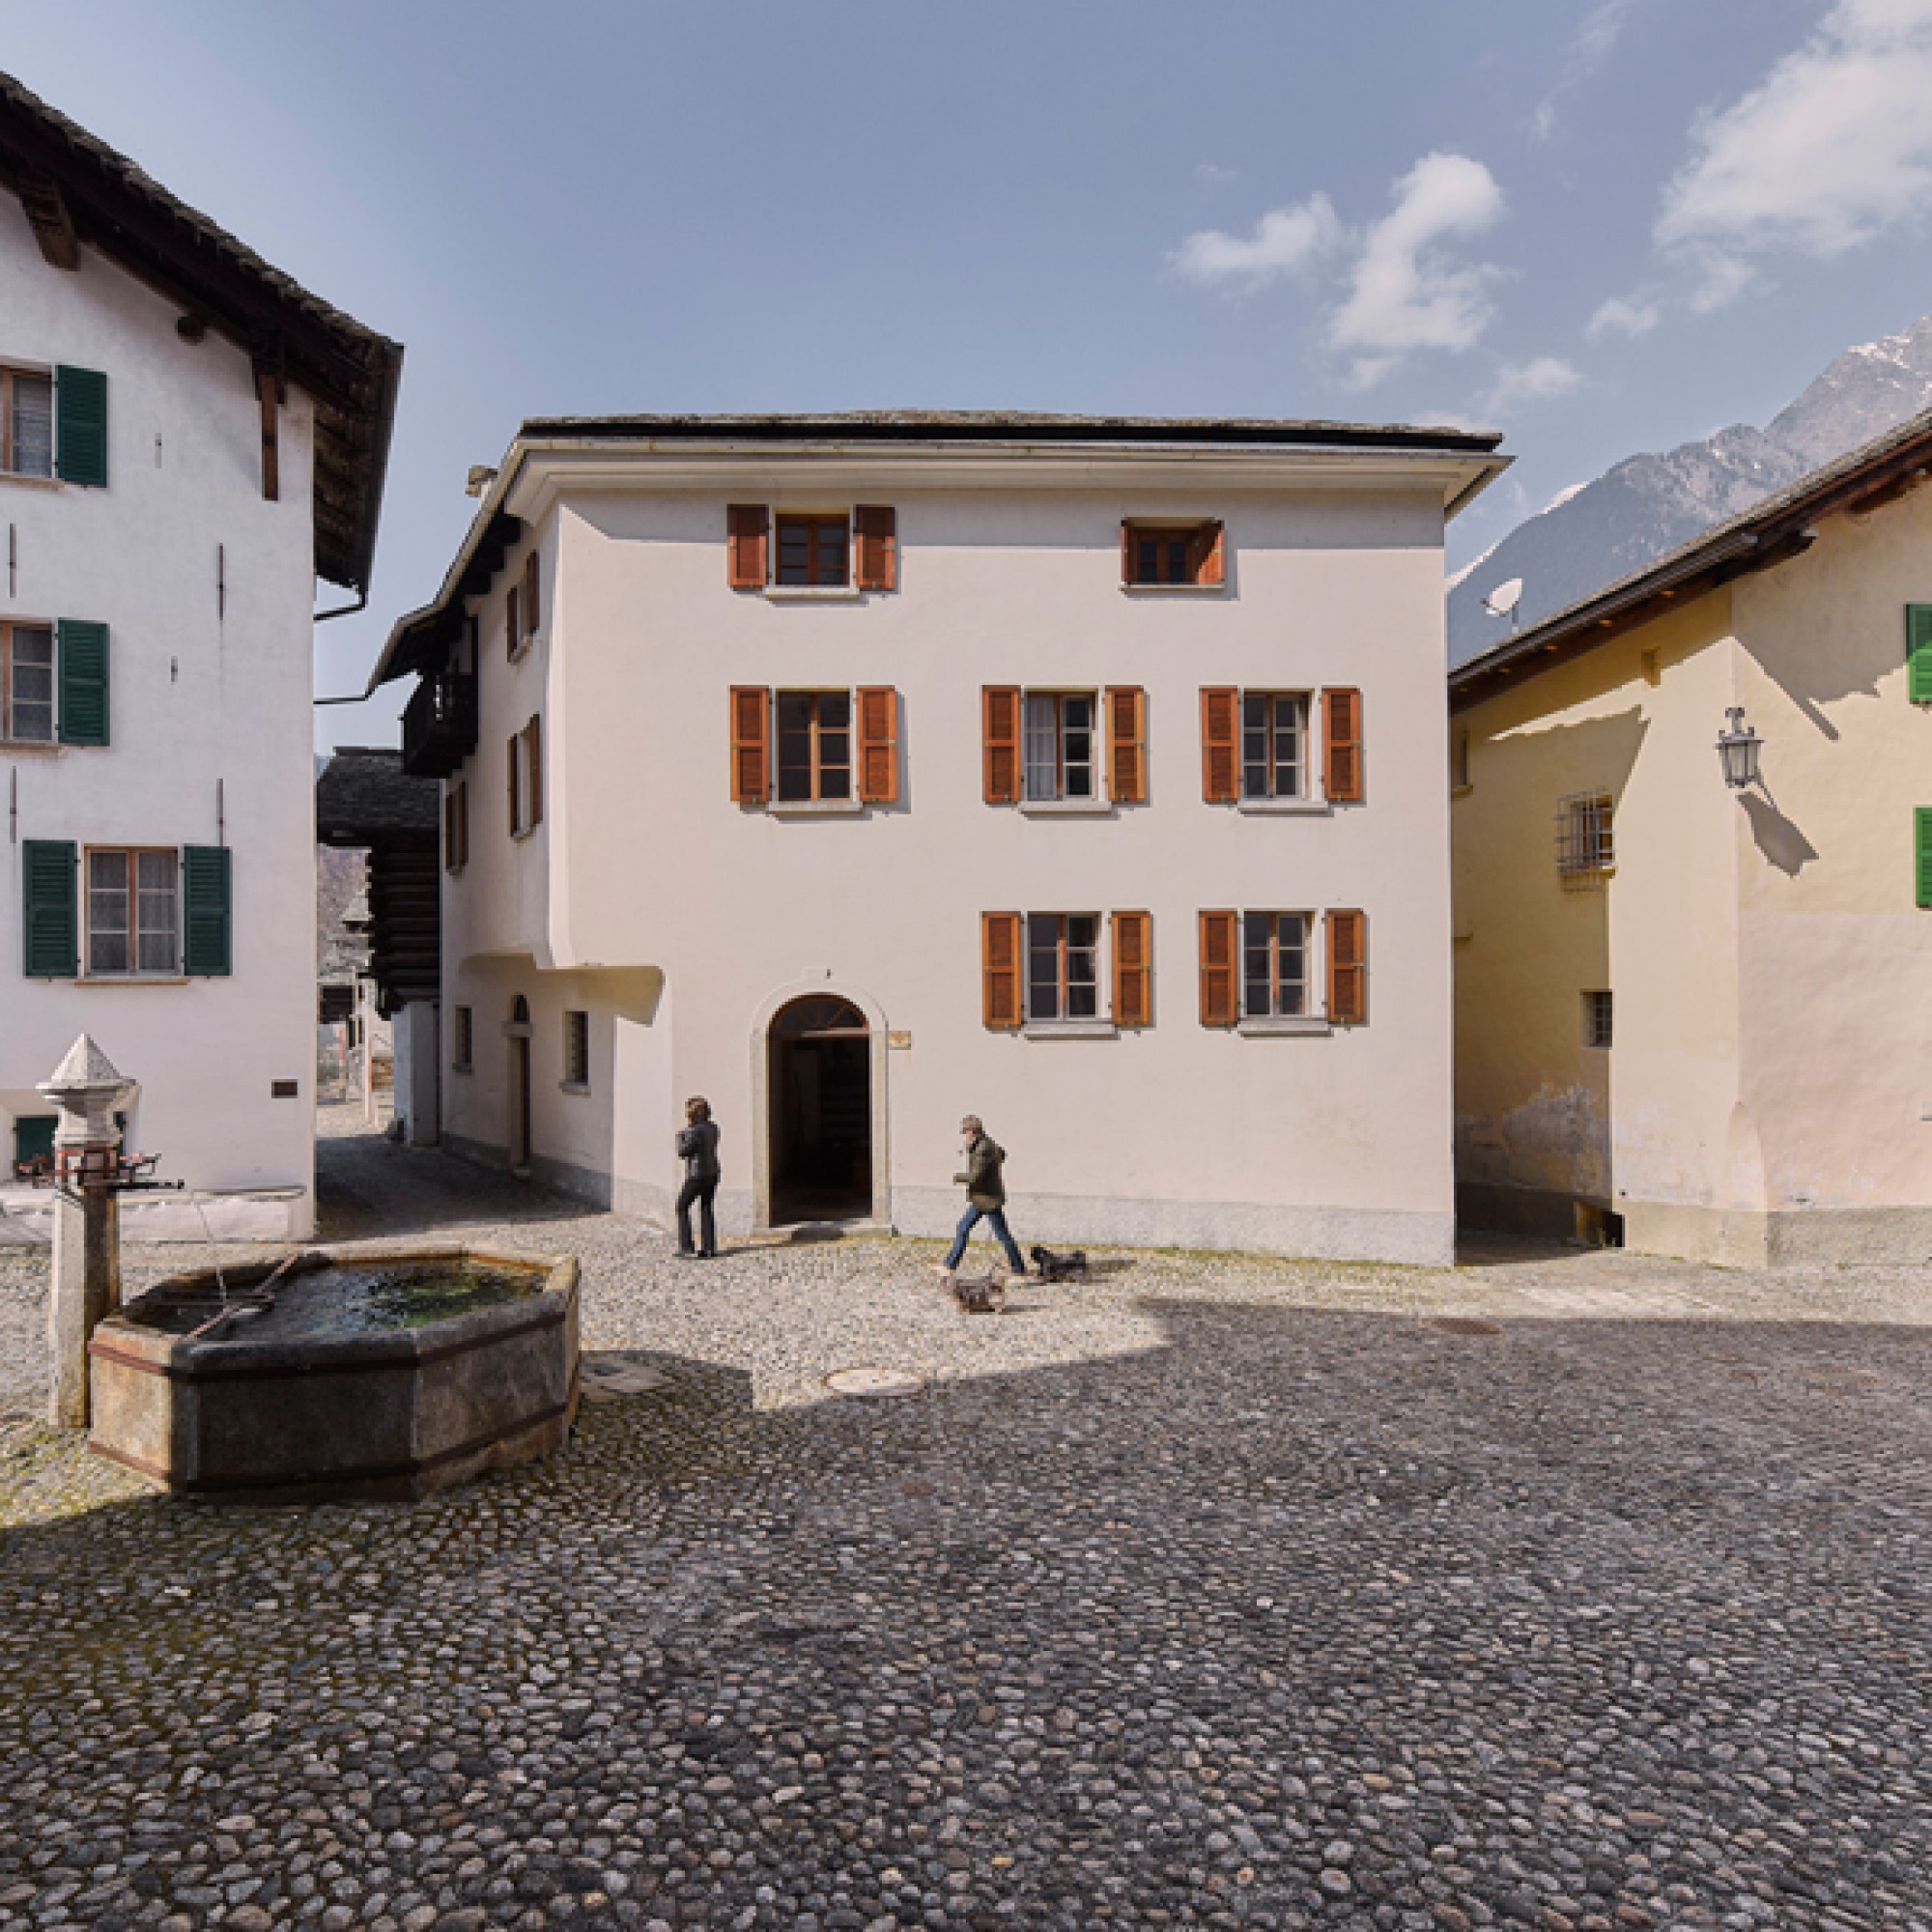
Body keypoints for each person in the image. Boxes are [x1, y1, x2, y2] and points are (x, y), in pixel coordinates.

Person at [941, 1115, 1026, 1280]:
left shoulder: (983, 1149)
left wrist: (957, 1177)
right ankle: (949, 1265)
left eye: (966, 1132)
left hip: (987, 1200)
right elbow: (1002, 1154)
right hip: (983, 1198)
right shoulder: (986, 1143)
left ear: (972, 1131)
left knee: (1002, 1235)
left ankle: (1019, 1268)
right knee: (963, 1228)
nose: (965, 1135)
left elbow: (975, 1177)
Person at [674, 1096, 721, 1259]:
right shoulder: (714, 1128)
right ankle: (709, 1247)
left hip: (696, 1174)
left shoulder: (693, 1131)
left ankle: (686, 1246)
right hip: (713, 1172)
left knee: (682, 1206)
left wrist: (680, 1137)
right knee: (706, 1208)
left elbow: (683, 1152)